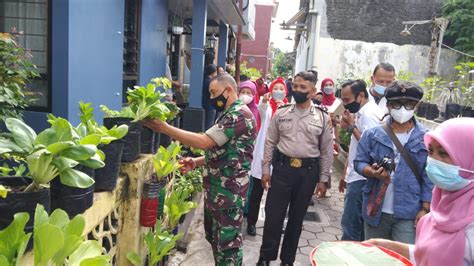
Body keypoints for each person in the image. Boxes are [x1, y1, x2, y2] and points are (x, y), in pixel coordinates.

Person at [143, 73, 257, 265]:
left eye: (214, 93)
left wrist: (164, 128)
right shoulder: (230, 114)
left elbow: (204, 141)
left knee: (228, 251)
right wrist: (196, 162)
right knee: (217, 244)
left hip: (228, 196)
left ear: (228, 90)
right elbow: (226, 152)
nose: (212, 98)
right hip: (217, 193)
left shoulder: (239, 115)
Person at [365, 117, 474, 265]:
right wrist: (389, 246)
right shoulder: (442, 203)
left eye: (443, 153)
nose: (433, 160)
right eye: (430, 151)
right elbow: (430, 254)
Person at [257, 70, 334, 265]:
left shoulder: (323, 118)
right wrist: (266, 170)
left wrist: (323, 180)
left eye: (303, 88)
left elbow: (326, 151)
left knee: (296, 220)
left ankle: (287, 260)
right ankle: (266, 257)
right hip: (282, 170)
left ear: (313, 90)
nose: (298, 90)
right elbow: (270, 142)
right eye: (296, 86)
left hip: (308, 174)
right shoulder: (281, 113)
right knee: (274, 217)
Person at [354, 81, 434, 244]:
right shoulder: (372, 134)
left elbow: (429, 177)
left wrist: (425, 209)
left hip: (409, 212)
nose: (402, 109)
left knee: (403, 258)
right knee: (375, 256)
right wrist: (372, 171)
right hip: (375, 209)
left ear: (416, 106)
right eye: (397, 104)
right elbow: (359, 162)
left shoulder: (427, 138)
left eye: (408, 104)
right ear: (389, 106)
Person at [338, 79, 382, 241]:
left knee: (351, 225)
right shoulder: (363, 113)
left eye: (347, 100)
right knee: (354, 225)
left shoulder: (369, 115)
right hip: (355, 175)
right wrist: (345, 174)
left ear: (361, 96)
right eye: (343, 99)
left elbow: (369, 146)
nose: (345, 104)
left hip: (362, 178)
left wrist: (351, 126)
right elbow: (355, 147)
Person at [246, 78, 288, 236]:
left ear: (285, 92)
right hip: (263, 153)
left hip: (281, 155)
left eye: (281, 88)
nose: (279, 91)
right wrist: (264, 101)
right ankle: (251, 222)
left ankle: (276, 224)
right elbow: (261, 110)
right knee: (257, 192)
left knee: (278, 196)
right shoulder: (267, 107)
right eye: (275, 88)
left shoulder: (289, 108)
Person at [202, 64, 218, 130]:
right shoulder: (210, 82)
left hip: (203, 104)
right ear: (213, 72)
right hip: (210, 106)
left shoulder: (202, 79)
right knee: (209, 125)